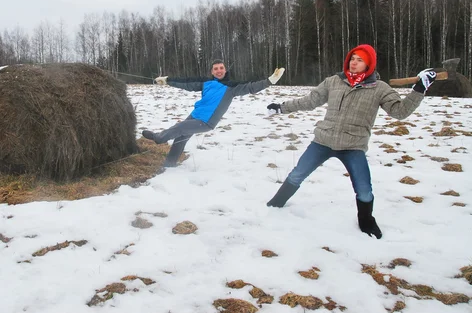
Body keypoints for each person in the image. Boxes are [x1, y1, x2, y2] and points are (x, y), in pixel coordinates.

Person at [265, 44, 436, 239]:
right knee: (297, 174)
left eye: (359, 60)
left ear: (369, 64)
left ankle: (366, 221)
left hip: (353, 146)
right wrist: (281, 107)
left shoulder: (379, 89)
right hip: (323, 140)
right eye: (352, 58)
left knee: (364, 190)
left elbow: (400, 112)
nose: (354, 62)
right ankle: (275, 204)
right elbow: (309, 101)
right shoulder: (334, 81)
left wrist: (419, 89)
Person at [142, 60, 285, 167]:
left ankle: (159, 137)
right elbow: (187, 82)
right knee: (181, 138)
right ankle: (169, 164)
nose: (219, 71)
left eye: (221, 68)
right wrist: (168, 81)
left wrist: (270, 81)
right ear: (212, 72)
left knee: (179, 128)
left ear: (225, 70)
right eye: (215, 69)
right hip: (195, 116)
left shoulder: (232, 87)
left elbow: (251, 87)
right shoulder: (206, 83)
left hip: (206, 122)